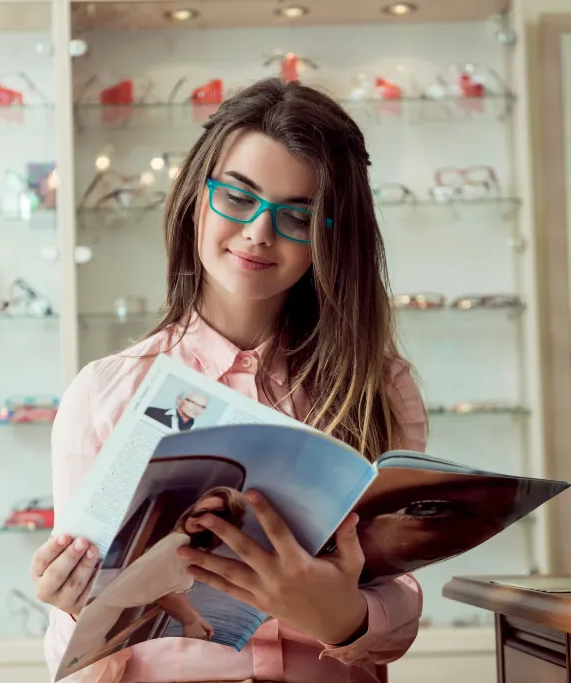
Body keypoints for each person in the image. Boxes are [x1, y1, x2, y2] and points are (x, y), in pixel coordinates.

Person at [31, 77, 428, 683]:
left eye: (298, 215)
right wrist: (74, 610)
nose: (260, 232)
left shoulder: (378, 387)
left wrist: (343, 615)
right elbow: (77, 662)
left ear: (331, 236)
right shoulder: (104, 393)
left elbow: (397, 595)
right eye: (238, 199)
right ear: (196, 196)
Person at [61, 487, 249, 673]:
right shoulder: (178, 543)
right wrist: (190, 619)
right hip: (97, 619)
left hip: (101, 617)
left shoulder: (181, 543)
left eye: (217, 513)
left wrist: (192, 617)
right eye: (199, 512)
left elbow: (159, 584)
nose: (203, 518)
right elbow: (158, 588)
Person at [144, 391, 209, 431]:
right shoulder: (151, 412)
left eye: (202, 407)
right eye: (193, 403)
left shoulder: (199, 433)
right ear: (179, 400)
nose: (197, 409)